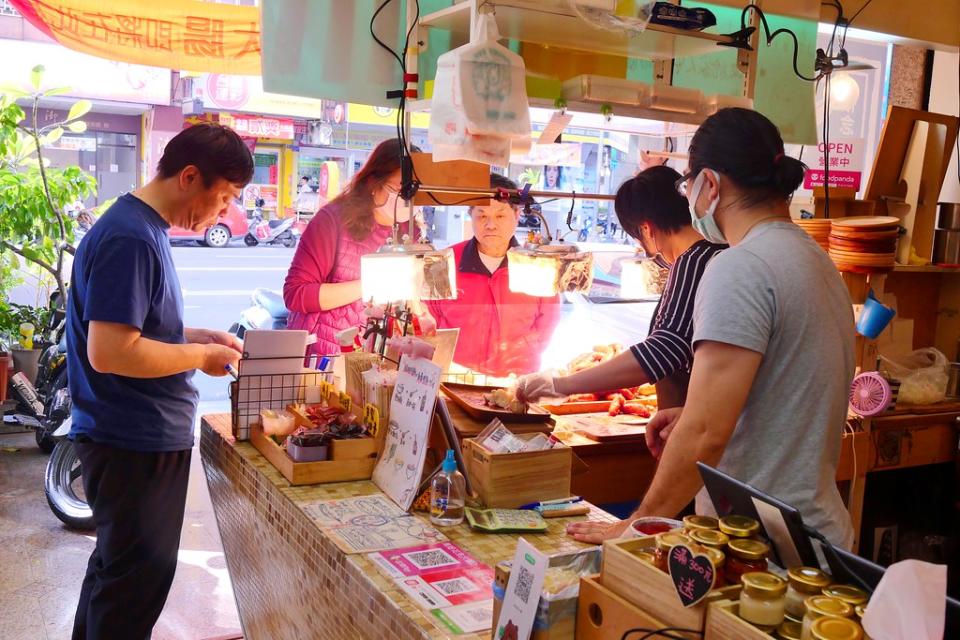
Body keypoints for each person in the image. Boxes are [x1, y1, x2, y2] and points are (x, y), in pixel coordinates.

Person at [567, 108, 856, 548]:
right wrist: (692, 415)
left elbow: (705, 433)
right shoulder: (815, 259)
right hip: (815, 532)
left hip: (766, 545)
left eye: (688, 184)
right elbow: (788, 396)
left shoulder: (739, 266)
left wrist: (633, 527)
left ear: (710, 184)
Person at [66, 123, 253, 639]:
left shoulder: (140, 227)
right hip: (131, 439)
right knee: (134, 584)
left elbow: (139, 327)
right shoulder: (130, 236)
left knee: (116, 572)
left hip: (130, 436)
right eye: (224, 198)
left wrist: (197, 335)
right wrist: (199, 355)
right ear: (190, 176)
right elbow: (109, 351)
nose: (224, 213)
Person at [516, 165, 725, 410]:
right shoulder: (715, 253)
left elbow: (665, 349)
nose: (650, 252)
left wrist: (560, 385)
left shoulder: (694, 261)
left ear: (647, 230)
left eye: (640, 240)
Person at [284, 139, 413, 357]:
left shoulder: (409, 230)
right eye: (400, 189)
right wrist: (373, 284)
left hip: (374, 357)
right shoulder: (332, 220)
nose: (407, 200)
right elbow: (296, 294)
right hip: (323, 356)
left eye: (414, 192)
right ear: (374, 182)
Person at [424, 174, 561, 377]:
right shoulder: (443, 262)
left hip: (516, 381)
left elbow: (548, 321)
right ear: (471, 216)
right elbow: (427, 320)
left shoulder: (537, 264)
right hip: (454, 379)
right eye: (481, 216)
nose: (490, 225)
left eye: (500, 216)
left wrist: (524, 356)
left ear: (516, 215)